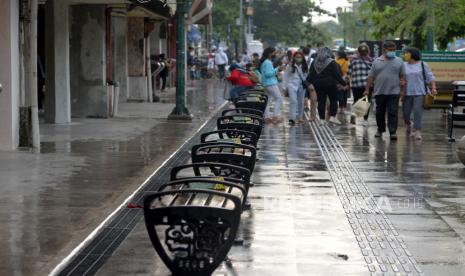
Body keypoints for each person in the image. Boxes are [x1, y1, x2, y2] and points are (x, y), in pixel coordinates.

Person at [364, 41, 406, 140]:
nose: (392, 52)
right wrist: (367, 89)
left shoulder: (399, 61)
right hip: (379, 91)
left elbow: (403, 76)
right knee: (379, 112)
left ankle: (392, 132)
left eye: (394, 50)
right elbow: (371, 76)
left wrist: (403, 90)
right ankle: (380, 129)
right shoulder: (377, 61)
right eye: (390, 50)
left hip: (394, 91)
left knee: (392, 112)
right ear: (384, 50)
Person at [402, 47, 437, 140]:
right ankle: (409, 125)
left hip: (420, 92)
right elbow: (400, 77)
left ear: (413, 54)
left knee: (418, 111)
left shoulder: (422, 64)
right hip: (407, 93)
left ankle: (417, 131)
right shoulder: (403, 65)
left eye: (407, 53)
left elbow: (430, 77)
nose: (405, 55)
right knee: (406, 113)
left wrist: (433, 88)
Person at [306, 47, 346, 125]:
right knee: (333, 100)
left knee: (321, 101)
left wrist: (307, 83)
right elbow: (337, 75)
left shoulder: (314, 62)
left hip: (318, 85)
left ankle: (322, 120)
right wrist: (344, 84)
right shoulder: (332, 62)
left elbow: (311, 75)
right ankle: (332, 117)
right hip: (330, 84)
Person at [348, 43, 374, 125]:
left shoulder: (353, 60)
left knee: (356, 100)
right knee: (365, 102)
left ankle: (353, 114)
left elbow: (348, 73)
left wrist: (344, 83)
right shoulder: (371, 61)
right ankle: (365, 120)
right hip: (367, 85)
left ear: (358, 51)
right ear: (368, 51)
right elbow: (374, 74)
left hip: (356, 84)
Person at [283, 52, 309, 125]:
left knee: (301, 102)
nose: (298, 58)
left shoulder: (305, 66)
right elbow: (285, 77)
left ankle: (300, 117)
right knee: (293, 101)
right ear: (294, 58)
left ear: (302, 58)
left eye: (300, 57)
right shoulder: (290, 66)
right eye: (297, 57)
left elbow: (307, 76)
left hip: (301, 86)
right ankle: (292, 118)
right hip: (292, 86)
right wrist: (285, 87)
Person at [260, 47, 284, 124]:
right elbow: (268, 74)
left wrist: (276, 69)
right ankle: (275, 117)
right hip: (271, 83)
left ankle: (267, 117)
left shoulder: (265, 62)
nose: (275, 54)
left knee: (268, 100)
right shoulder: (268, 62)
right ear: (270, 53)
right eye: (274, 52)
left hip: (266, 84)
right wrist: (278, 69)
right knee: (278, 98)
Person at [336, 49, 350, 114]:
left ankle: (341, 108)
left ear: (339, 55)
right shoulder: (348, 62)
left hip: (339, 80)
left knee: (340, 94)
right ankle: (344, 108)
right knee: (345, 94)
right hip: (347, 80)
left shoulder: (337, 62)